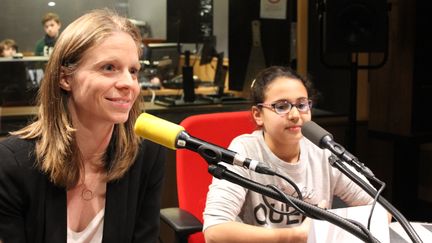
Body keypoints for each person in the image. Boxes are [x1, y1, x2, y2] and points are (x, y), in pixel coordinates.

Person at [0, 9, 166, 242]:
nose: (129, 83)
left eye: (134, 71)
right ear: (65, 78)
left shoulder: (148, 154)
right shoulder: (12, 163)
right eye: (109, 67)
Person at [203, 66, 376, 242]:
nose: (295, 115)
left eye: (302, 105)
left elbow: (378, 209)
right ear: (258, 115)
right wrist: (295, 236)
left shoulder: (323, 150)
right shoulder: (245, 150)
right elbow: (214, 231)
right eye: (282, 106)